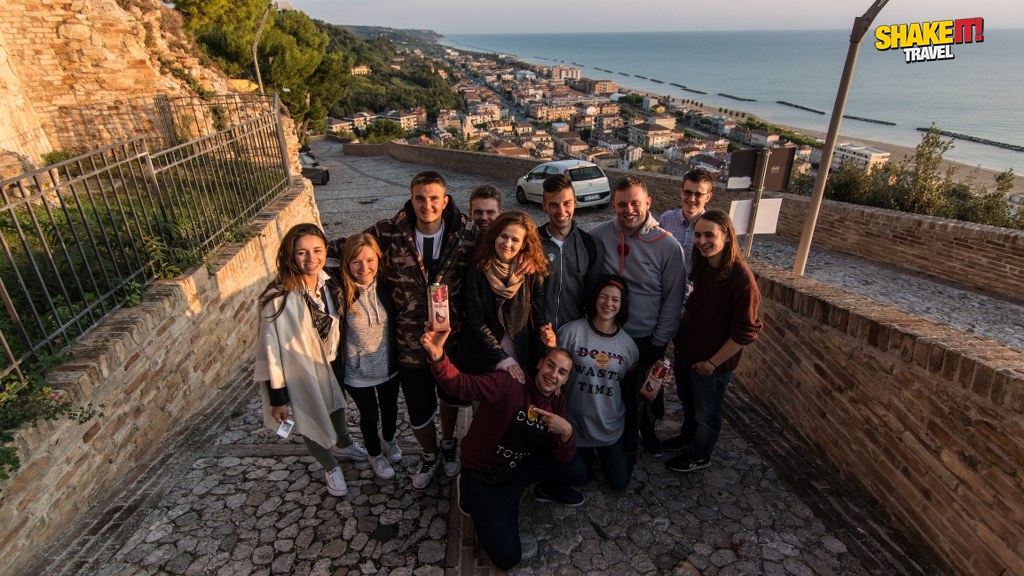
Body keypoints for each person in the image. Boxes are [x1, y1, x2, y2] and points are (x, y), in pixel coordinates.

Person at [420, 326, 582, 571]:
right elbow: (460, 385)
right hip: (487, 474)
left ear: (566, 380)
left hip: (519, 468)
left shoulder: (557, 401)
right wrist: (437, 357)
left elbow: (563, 456)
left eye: (562, 372)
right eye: (550, 365)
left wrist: (567, 433)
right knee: (508, 557)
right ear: (540, 363)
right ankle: (468, 491)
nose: (553, 375)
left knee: (577, 469)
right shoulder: (510, 382)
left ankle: (543, 490)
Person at [360, 171, 478, 490]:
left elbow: (499, 256)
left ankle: (449, 445)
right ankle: (429, 454)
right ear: (411, 200)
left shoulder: (467, 232)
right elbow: (352, 250)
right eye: (420, 198)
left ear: (445, 200)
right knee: (418, 411)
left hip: (450, 341)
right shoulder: (388, 232)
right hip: (409, 344)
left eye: (434, 198)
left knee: (450, 398)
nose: (427, 205)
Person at [254, 223, 368, 498]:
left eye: (317, 250)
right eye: (302, 252)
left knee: (336, 405)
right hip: (300, 371)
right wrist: (278, 398)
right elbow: (270, 351)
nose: (311, 259)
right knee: (311, 414)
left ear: (326, 250)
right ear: (291, 255)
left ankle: (343, 444)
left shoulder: (331, 281)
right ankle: (330, 467)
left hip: (332, 362)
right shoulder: (278, 299)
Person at [590, 175, 685, 458]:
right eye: (622, 204)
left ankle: (648, 430)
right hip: (610, 332)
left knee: (649, 389)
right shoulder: (598, 235)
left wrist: (660, 341)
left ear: (648, 203)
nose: (629, 210)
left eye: (635, 203)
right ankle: (615, 433)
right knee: (610, 386)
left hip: (646, 335)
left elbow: (673, 299)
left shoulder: (669, 247)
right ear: (613, 205)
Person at [666, 209, 762, 472]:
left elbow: (745, 333)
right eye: (698, 235)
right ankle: (688, 438)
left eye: (709, 235)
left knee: (706, 415)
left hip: (711, 366)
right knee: (689, 406)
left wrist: (711, 364)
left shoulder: (741, 279)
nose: (701, 241)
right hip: (688, 355)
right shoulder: (705, 265)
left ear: (727, 236)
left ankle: (700, 455)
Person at [330, 233, 402, 480]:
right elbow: (323, 258)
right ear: (346, 263)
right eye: (356, 261)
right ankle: (375, 454)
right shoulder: (339, 290)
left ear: (379, 260)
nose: (364, 268)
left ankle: (389, 440)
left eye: (370, 260)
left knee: (390, 409)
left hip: (388, 367)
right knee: (369, 416)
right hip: (357, 371)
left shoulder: (386, 286)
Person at [557, 274, 639, 490]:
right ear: (595, 298)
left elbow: (630, 388)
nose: (608, 303)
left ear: (622, 305)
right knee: (581, 477)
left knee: (619, 483)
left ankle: (619, 454)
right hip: (577, 426)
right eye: (604, 296)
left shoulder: (628, 346)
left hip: (610, 427)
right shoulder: (570, 333)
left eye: (615, 299)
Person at [457, 211, 554, 381]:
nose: (507, 244)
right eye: (503, 236)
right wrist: (501, 356)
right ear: (495, 235)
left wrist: (541, 355)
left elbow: (538, 319)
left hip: (521, 354)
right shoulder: (477, 269)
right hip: (484, 356)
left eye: (515, 240)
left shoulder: (532, 273)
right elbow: (476, 320)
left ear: (523, 244)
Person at [538, 174, 604, 330]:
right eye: (553, 205)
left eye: (567, 203)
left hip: (575, 333)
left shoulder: (591, 246)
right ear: (544, 206)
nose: (561, 211)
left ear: (575, 201)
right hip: (536, 332)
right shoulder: (531, 242)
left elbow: (593, 295)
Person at [660, 168, 715, 293]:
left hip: (696, 295)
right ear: (681, 192)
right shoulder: (666, 219)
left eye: (698, 194)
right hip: (664, 290)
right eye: (687, 192)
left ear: (708, 197)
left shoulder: (712, 228)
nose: (692, 199)